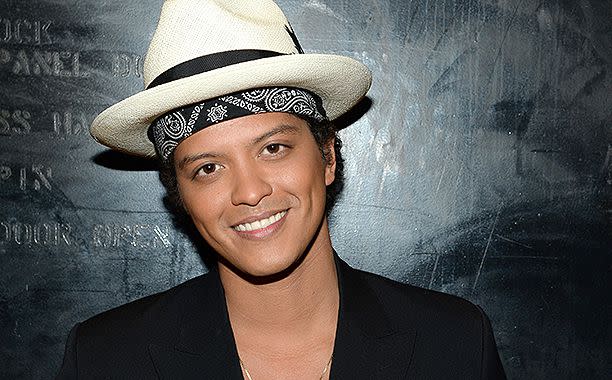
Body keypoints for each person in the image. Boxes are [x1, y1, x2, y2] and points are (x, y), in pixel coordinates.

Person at [57, 0, 506, 379]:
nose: (249, 191)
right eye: (208, 168)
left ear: (327, 156)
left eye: (273, 148)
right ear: (180, 196)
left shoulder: (454, 345)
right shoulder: (105, 360)